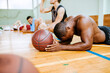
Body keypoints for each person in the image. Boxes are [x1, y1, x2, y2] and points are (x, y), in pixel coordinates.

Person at [45, 15, 110, 52]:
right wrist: (55, 45)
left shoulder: (83, 21)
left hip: (107, 36)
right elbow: (67, 41)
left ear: (68, 28)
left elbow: (87, 45)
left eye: (67, 36)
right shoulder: (68, 22)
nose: (68, 38)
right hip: (98, 30)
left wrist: (61, 47)